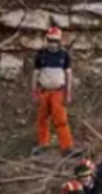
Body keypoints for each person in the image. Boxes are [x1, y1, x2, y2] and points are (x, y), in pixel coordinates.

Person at [32, 26, 75, 156]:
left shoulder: (64, 55)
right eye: (50, 40)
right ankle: (43, 144)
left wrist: (68, 93)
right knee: (42, 119)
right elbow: (35, 74)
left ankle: (67, 147)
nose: (52, 43)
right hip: (44, 91)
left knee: (61, 120)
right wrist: (34, 91)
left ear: (59, 41)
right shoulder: (41, 55)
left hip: (58, 92)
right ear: (47, 40)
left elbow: (69, 75)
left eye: (55, 40)